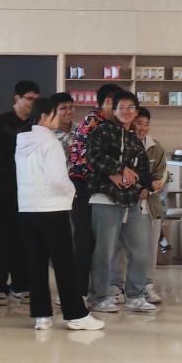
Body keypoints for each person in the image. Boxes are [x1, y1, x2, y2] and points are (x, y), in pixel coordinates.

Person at [16, 97, 107, 332]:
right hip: (52, 209)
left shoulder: (22, 141)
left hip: (27, 207)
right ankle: (75, 314)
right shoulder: (50, 142)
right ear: (46, 116)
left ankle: (41, 315)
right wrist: (72, 192)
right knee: (65, 263)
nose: (60, 117)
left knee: (36, 262)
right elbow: (57, 179)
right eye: (56, 113)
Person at [87, 91, 156, 313]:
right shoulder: (102, 130)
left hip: (131, 201)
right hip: (105, 198)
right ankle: (99, 297)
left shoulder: (135, 140)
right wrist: (118, 170)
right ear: (114, 110)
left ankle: (136, 295)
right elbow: (93, 157)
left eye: (131, 107)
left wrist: (143, 185)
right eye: (121, 107)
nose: (126, 111)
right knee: (104, 251)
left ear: (136, 112)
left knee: (141, 250)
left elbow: (144, 171)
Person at [0, 81, 41, 305]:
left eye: (36, 100)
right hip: (1, 191)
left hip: (29, 192)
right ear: (17, 99)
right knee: (0, 239)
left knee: (25, 240)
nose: (32, 103)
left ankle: (21, 285)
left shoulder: (36, 125)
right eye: (29, 99)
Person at [69, 83, 124, 298]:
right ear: (108, 102)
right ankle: (79, 292)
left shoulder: (111, 124)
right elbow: (87, 159)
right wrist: (113, 172)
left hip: (98, 189)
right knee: (84, 240)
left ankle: (95, 289)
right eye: (119, 104)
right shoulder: (93, 122)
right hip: (83, 187)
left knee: (100, 242)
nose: (122, 110)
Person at [127, 107, 167, 304]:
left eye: (146, 124)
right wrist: (138, 189)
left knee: (150, 249)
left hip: (150, 205)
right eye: (139, 123)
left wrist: (150, 189)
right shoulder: (124, 143)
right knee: (127, 249)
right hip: (127, 203)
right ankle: (123, 287)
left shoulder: (156, 147)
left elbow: (161, 175)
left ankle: (148, 286)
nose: (142, 128)